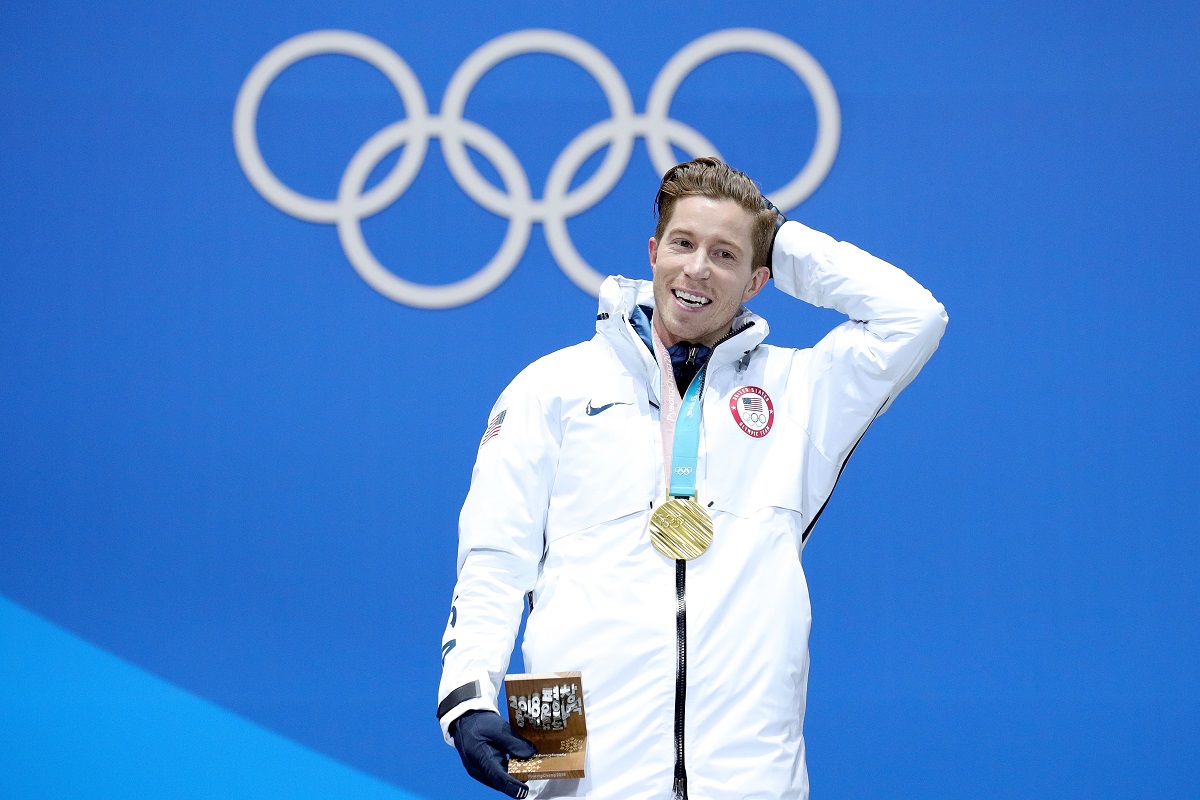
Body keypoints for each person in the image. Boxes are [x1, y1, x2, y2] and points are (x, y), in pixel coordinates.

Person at [436, 157, 948, 800]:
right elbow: (495, 558)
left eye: (725, 254)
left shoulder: (800, 392)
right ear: (653, 253)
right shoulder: (553, 386)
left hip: (751, 775)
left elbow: (915, 318)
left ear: (759, 279)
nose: (698, 268)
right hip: (577, 763)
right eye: (682, 243)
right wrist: (469, 695)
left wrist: (779, 239)